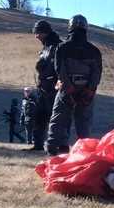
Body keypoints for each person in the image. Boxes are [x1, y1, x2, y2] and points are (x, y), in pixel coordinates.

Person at [44, 13, 102, 155]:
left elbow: (60, 69)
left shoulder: (62, 47)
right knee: (84, 122)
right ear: (86, 28)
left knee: (58, 118)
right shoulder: (94, 50)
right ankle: (85, 152)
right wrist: (90, 89)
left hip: (66, 88)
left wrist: (68, 87)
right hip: (86, 89)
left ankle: (53, 148)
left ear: (70, 27)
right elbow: (97, 72)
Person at [23, 19, 61, 152]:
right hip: (43, 87)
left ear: (45, 32)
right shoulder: (46, 47)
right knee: (39, 116)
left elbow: (60, 68)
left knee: (54, 118)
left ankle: (56, 146)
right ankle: (38, 144)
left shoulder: (58, 46)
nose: (36, 36)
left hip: (53, 88)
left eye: (38, 33)